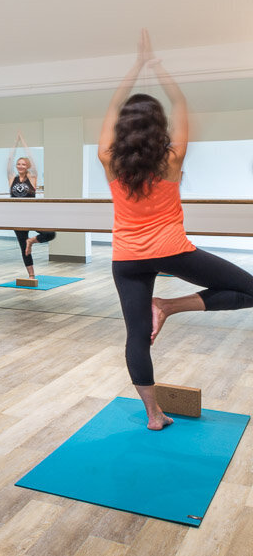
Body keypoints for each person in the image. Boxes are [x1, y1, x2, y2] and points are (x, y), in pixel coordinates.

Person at [100, 29, 253, 430]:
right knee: (249, 289)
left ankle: (154, 415)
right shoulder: (171, 157)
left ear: (122, 127)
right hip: (171, 250)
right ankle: (169, 306)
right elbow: (181, 101)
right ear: (157, 125)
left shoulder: (109, 159)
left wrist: (134, 68)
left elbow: (115, 104)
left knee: (136, 335)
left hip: (126, 258)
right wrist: (157, 67)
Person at [7, 132, 56, 277]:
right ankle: (31, 276)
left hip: (32, 216)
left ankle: (32, 240)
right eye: (19, 164)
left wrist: (23, 142)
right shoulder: (12, 179)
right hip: (17, 218)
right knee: (23, 248)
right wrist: (15, 143)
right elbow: (9, 160)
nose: (20, 166)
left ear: (27, 166)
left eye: (23, 164)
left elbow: (33, 161)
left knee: (50, 233)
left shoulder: (33, 178)